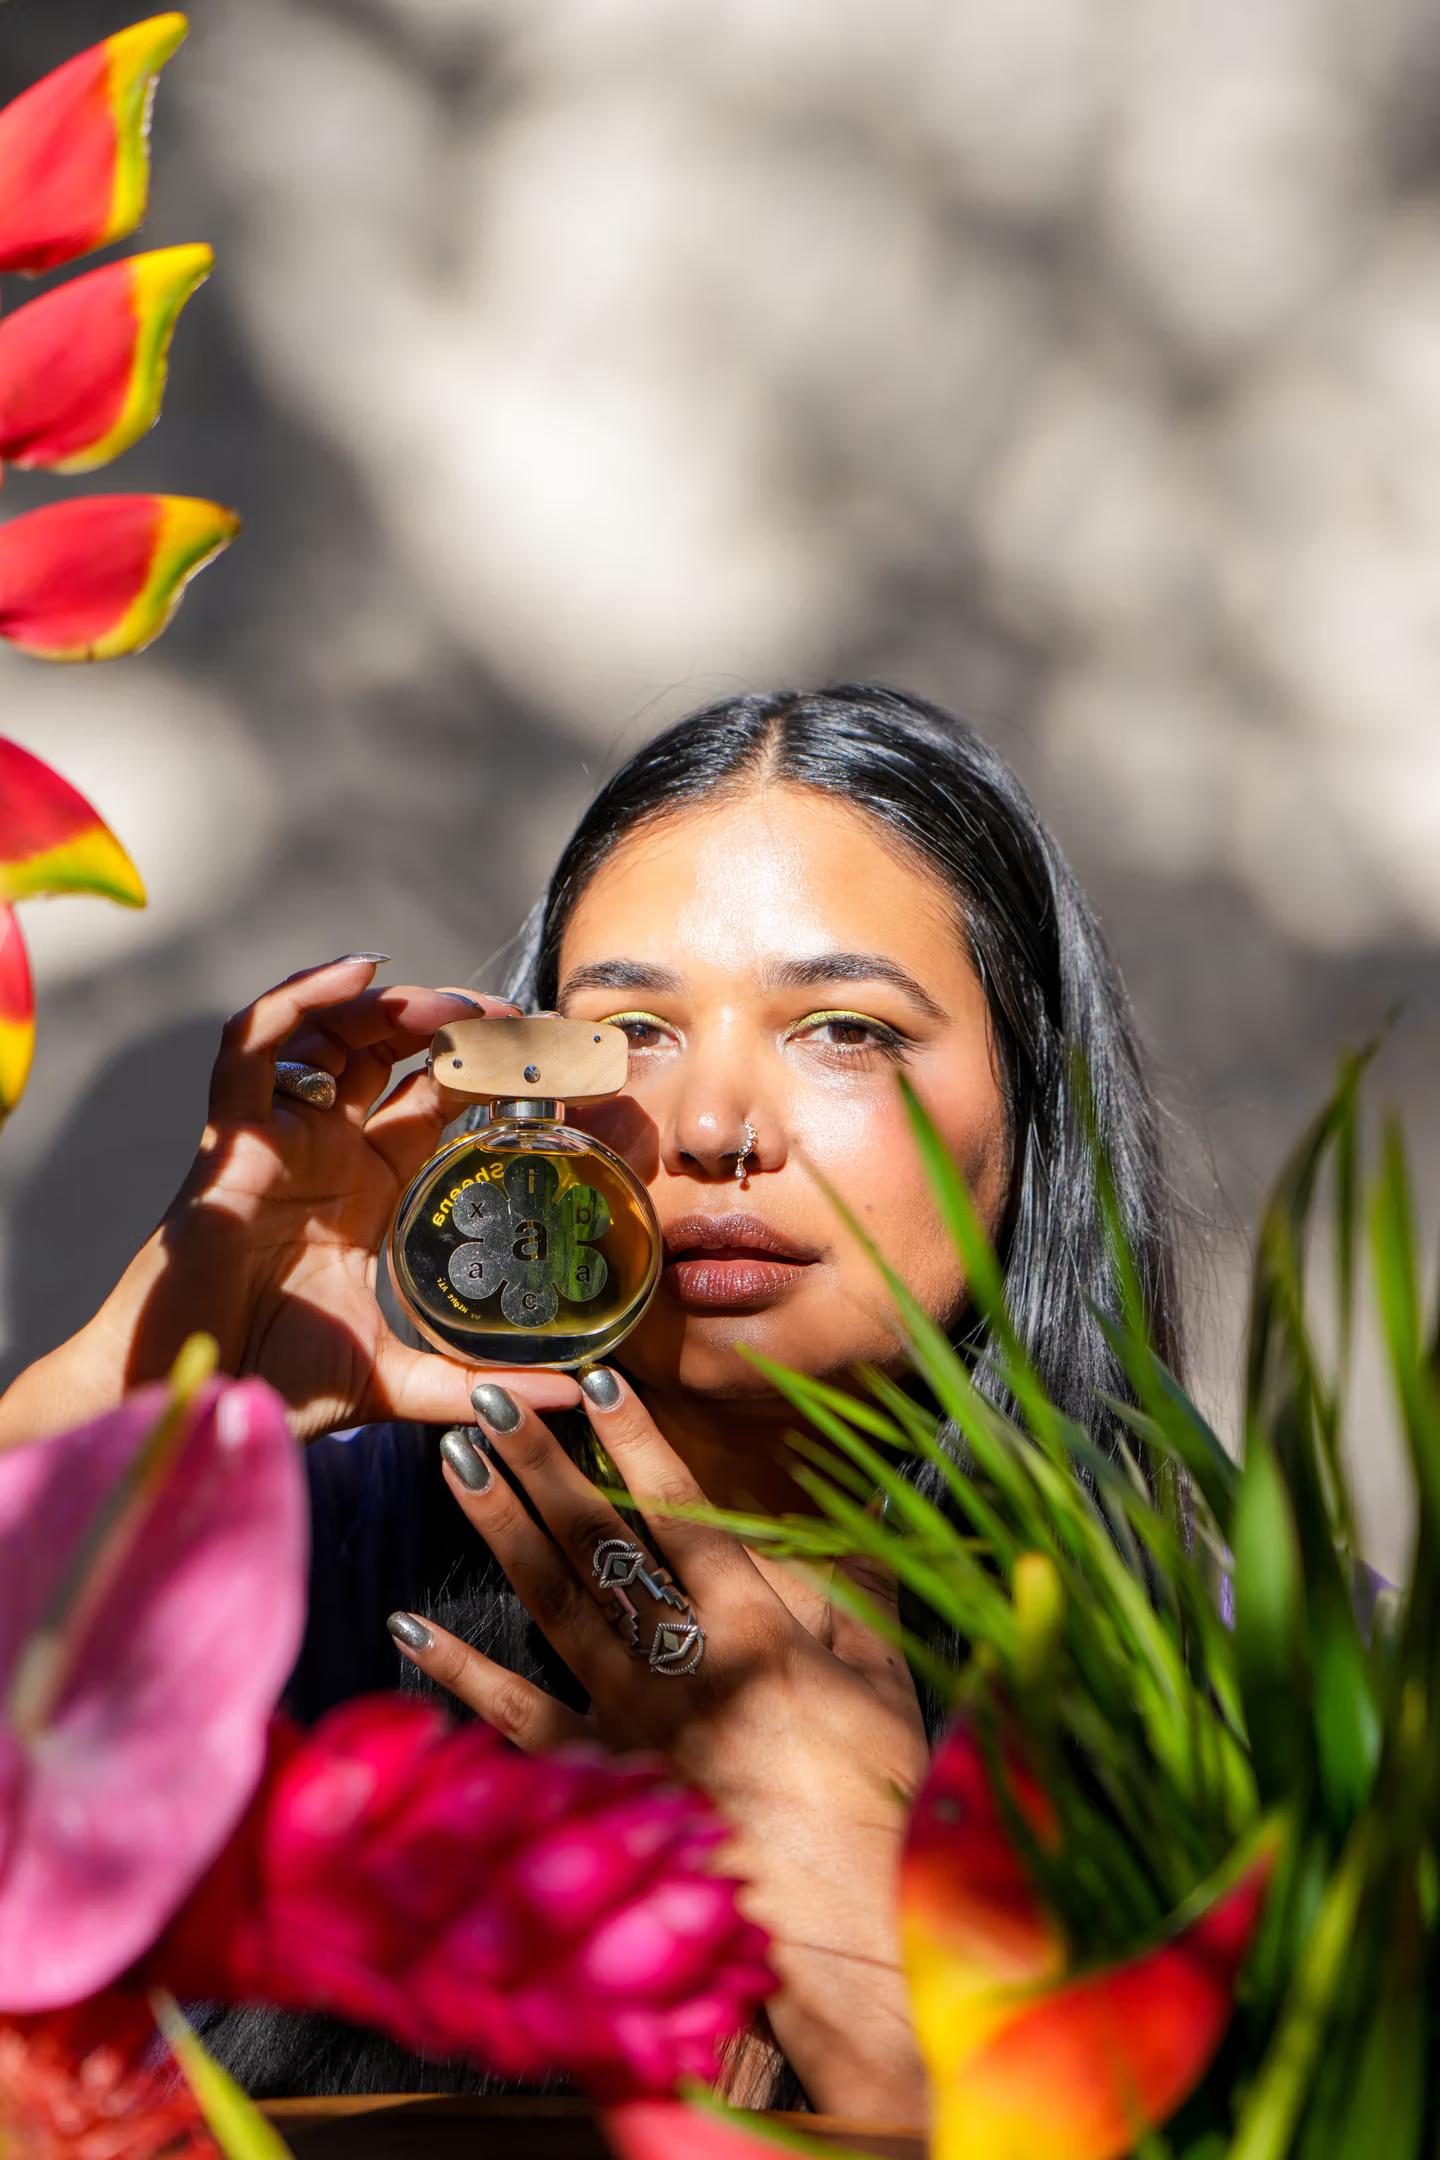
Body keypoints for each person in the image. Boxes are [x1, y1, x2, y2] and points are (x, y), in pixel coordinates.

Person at [0, 685, 1184, 2117]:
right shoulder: (278, 1581)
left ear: (1030, 1109)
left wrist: (860, 1937)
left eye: (844, 1032)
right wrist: (143, 1387)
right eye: (630, 1031)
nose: (710, 1129)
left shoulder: (1242, 1673)